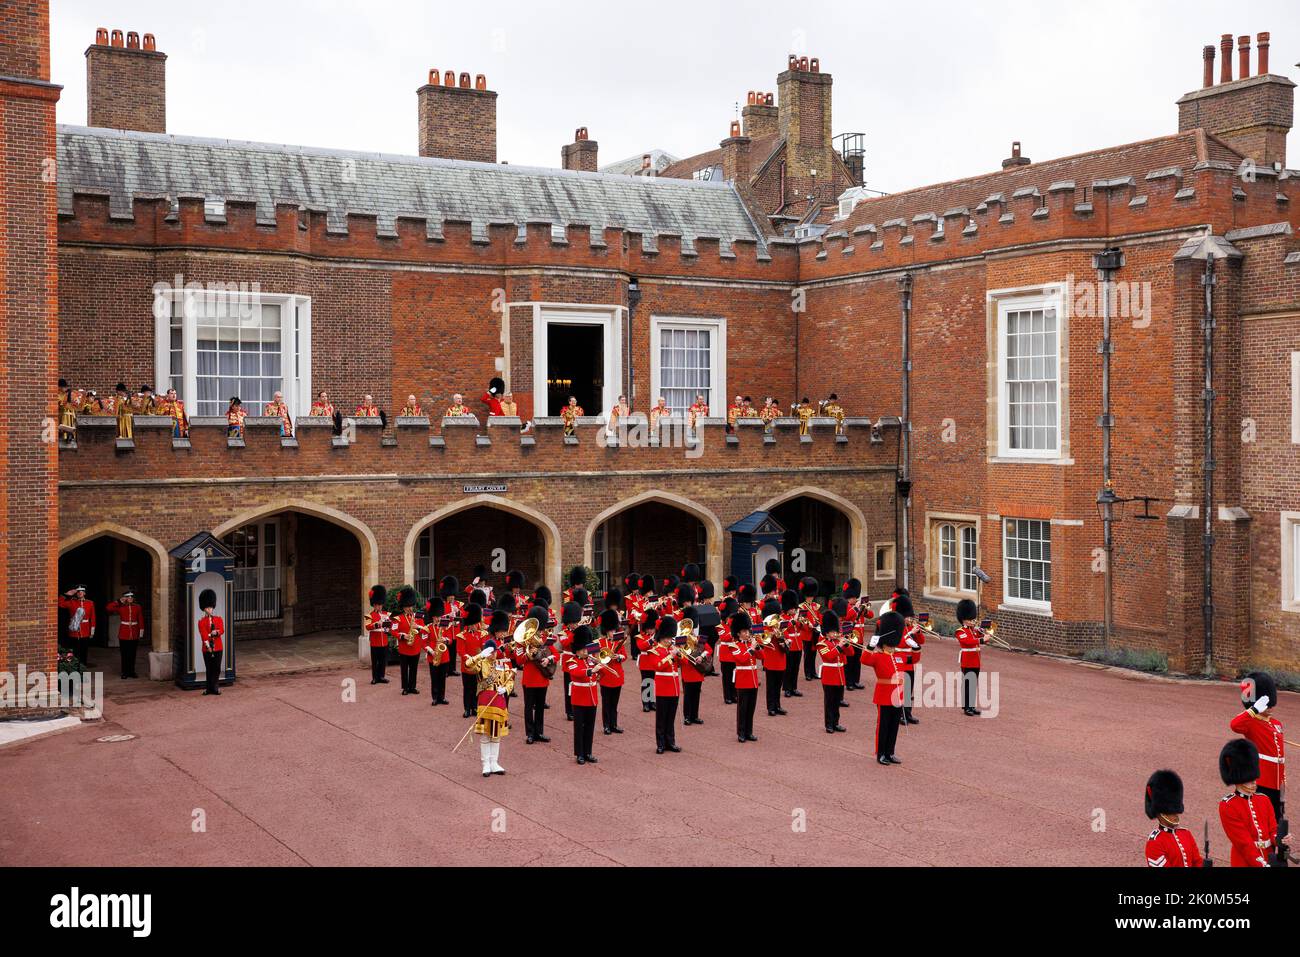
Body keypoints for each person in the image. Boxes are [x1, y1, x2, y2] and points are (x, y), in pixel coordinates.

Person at [1231, 672, 1286, 822]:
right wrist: (1253, 709)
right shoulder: (1252, 722)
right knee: (1264, 818)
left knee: (1278, 818)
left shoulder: (1276, 724)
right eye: (1266, 703)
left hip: (1277, 780)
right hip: (1262, 778)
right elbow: (1234, 725)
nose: (1270, 707)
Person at [1218, 739, 1278, 867]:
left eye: (1254, 779)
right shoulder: (1228, 805)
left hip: (1269, 856)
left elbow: (1272, 829)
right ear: (1239, 780)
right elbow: (1243, 843)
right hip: (1244, 861)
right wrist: (1262, 864)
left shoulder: (1264, 799)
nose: (1254, 783)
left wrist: (1280, 839)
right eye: (1249, 780)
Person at [466, 623, 514, 777]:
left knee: (497, 735)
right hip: (485, 701)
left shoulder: (502, 665)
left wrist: (505, 689)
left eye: (494, 652)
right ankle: (485, 764)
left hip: (499, 702)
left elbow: (510, 681)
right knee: (486, 735)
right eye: (490, 652)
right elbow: (468, 665)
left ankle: (494, 763)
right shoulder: (480, 664)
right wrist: (480, 655)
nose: (493, 655)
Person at [866, 611, 905, 766]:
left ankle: (890, 752)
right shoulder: (877, 656)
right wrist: (870, 645)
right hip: (883, 694)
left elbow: (915, 658)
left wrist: (915, 646)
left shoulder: (898, 655)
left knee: (894, 725)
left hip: (897, 694)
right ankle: (880, 753)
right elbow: (864, 659)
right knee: (883, 726)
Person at [513, 605, 557, 744]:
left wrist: (547, 659)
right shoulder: (522, 639)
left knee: (539, 707)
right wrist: (529, 654)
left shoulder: (544, 637)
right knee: (528, 707)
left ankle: (539, 732)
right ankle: (530, 734)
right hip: (530, 678)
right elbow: (519, 660)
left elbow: (555, 654)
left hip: (542, 677)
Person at [1143, 770, 1203, 867]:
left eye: (1176, 811)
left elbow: (1197, 861)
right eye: (1170, 812)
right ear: (1160, 813)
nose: (1175, 815)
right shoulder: (1155, 842)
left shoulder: (1186, 834)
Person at [646, 617, 683, 753]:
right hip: (663, 688)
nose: (669, 640)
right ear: (661, 638)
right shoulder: (655, 651)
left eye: (670, 638)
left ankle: (670, 742)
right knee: (661, 718)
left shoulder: (672, 649)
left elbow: (683, 664)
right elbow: (658, 666)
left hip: (674, 689)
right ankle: (660, 744)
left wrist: (680, 655)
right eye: (666, 638)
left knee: (671, 717)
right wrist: (671, 656)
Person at [566, 627, 601, 764]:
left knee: (590, 727)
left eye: (587, 649)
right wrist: (592, 670)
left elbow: (599, 674)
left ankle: (588, 752)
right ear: (577, 650)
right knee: (579, 727)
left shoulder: (591, 660)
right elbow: (577, 673)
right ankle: (579, 754)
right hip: (579, 698)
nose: (586, 652)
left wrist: (599, 667)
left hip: (592, 698)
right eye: (583, 649)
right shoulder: (572, 661)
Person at [731, 612, 761, 743]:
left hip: (753, 680)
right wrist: (752, 648)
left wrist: (758, 647)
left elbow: (763, 657)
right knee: (742, 709)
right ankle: (741, 732)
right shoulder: (734, 645)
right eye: (744, 631)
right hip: (743, 681)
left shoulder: (751, 644)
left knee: (751, 708)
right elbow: (742, 659)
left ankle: (749, 732)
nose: (747, 633)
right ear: (738, 633)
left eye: (747, 631)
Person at [391, 587, 425, 696]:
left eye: (410, 606)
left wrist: (418, 626)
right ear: (403, 607)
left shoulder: (418, 616)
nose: (409, 608)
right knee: (404, 669)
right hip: (404, 647)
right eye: (407, 607)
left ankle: (412, 687)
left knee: (414, 668)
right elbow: (393, 631)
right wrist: (402, 636)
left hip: (415, 647)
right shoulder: (398, 618)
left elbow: (424, 629)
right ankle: (405, 687)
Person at [598, 606, 628, 734]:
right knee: (606, 703)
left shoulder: (618, 642)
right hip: (605, 676)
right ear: (606, 630)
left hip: (617, 676)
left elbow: (625, 655)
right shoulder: (600, 642)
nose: (612, 632)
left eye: (613, 630)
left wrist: (619, 656)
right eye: (610, 630)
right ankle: (606, 725)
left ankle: (614, 724)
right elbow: (597, 658)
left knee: (614, 703)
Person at [955, 599, 986, 716]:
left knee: (973, 684)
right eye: (970, 619)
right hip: (967, 661)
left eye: (973, 619)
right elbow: (968, 642)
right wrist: (981, 639)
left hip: (976, 660)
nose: (973, 621)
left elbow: (980, 640)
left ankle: (971, 706)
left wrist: (982, 633)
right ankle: (966, 707)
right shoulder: (960, 631)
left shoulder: (974, 631)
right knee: (967, 684)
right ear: (964, 619)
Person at [106, 590, 144, 679]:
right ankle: (124, 672)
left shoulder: (137, 607)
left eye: (131, 597)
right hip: (124, 633)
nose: (130, 598)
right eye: (128, 597)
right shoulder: (120, 607)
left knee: (133, 654)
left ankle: (132, 671)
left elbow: (140, 619)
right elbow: (108, 608)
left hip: (134, 633)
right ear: (125, 598)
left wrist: (141, 632)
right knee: (124, 654)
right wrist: (119, 601)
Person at [458, 603, 486, 716]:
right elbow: (461, 651)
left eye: (476, 623)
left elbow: (484, 648)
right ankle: (467, 709)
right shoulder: (462, 635)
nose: (475, 626)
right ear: (468, 624)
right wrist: (470, 658)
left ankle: (475, 707)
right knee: (467, 688)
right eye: (472, 624)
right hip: (467, 666)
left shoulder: (482, 634)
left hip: (478, 666)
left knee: (476, 688)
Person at [59, 585, 96, 667]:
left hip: (85, 631)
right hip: (74, 632)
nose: (80, 593)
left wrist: (92, 631)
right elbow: (60, 604)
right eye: (78, 591)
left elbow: (92, 618)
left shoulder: (90, 603)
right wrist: (66, 594)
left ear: (84, 593)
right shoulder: (72, 602)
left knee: (84, 653)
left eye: (81, 591)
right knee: (74, 653)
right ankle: (75, 671)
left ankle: (83, 670)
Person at [197, 588, 225, 696]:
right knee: (209, 669)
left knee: (216, 668)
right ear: (204, 609)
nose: (209, 609)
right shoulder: (201, 622)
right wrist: (208, 645)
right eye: (207, 608)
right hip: (207, 648)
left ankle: (215, 687)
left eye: (210, 607)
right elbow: (203, 635)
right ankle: (208, 688)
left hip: (218, 647)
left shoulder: (218, 619)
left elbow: (222, 630)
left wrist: (216, 632)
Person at [424, 596, 451, 705]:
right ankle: (435, 697)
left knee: (442, 678)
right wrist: (431, 651)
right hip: (433, 656)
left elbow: (450, 640)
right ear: (432, 617)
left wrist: (445, 640)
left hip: (444, 656)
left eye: (439, 616)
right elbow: (424, 643)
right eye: (435, 617)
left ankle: (442, 697)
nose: (437, 619)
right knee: (434, 678)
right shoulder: (428, 627)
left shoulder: (445, 626)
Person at [363, 585, 390, 685]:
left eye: (380, 605)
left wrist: (388, 627)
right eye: (377, 605)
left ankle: (382, 676)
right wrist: (376, 624)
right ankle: (375, 677)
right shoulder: (369, 615)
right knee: (375, 661)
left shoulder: (386, 614)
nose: (379, 607)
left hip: (384, 641)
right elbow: (368, 627)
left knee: (383, 661)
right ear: (374, 605)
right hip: (375, 642)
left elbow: (389, 626)